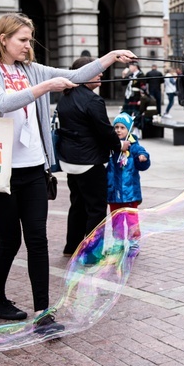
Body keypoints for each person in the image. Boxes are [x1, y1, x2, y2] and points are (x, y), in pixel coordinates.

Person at [0, 12, 135, 335]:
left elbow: (76, 73)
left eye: (29, 39)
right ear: (3, 39)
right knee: (8, 240)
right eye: (22, 40)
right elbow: (2, 101)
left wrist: (110, 57)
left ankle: (43, 312)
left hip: (33, 167)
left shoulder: (30, 69)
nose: (27, 45)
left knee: (37, 240)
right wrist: (46, 86)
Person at [56, 56, 130, 257]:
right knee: (96, 209)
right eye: (96, 70)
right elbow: (105, 131)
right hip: (89, 162)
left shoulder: (66, 96)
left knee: (78, 205)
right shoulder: (92, 100)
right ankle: (92, 253)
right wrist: (120, 145)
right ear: (83, 74)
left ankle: (71, 247)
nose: (101, 73)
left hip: (70, 161)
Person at [107, 113, 151, 256]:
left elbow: (142, 160)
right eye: (116, 127)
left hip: (130, 193)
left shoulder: (134, 147)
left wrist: (143, 158)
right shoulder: (112, 147)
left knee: (132, 220)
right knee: (116, 220)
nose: (118, 130)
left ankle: (134, 244)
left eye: (122, 128)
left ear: (129, 130)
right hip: (113, 192)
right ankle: (118, 244)